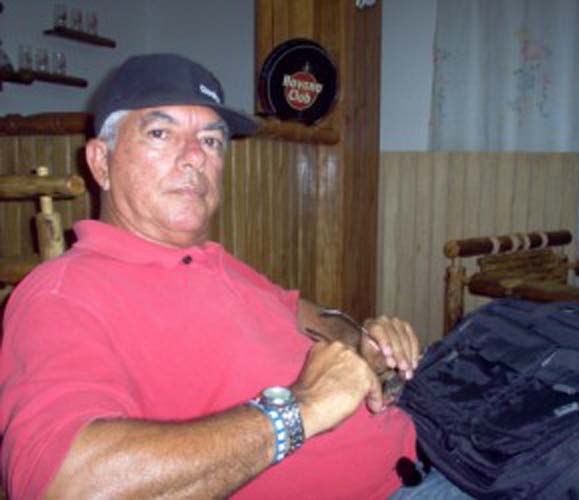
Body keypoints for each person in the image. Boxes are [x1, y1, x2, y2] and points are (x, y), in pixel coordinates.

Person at [0, 54, 422, 499]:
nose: (194, 157)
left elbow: (313, 317)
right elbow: (61, 485)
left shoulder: (212, 261)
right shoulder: (61, 294)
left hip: (429, 451)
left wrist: (366, 345)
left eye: (211, 140)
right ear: (100, 161)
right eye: (160, 133)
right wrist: (298, 410)